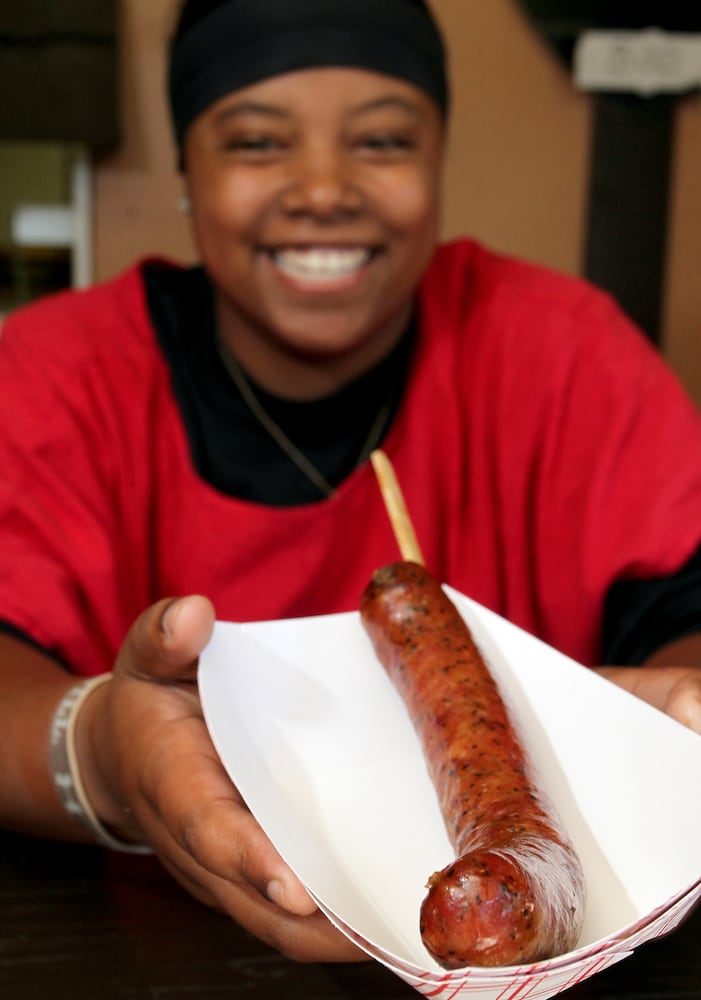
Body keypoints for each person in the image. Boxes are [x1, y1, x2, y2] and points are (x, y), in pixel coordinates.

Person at [0, 0, 700, 964]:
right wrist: (96, 754)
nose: (323, 188)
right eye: (256, 142)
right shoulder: (44, 376)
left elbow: (683, 610)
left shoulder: (567, 352)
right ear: (185, 172)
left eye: (380, 139)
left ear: (439, 159)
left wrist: (643, 730)